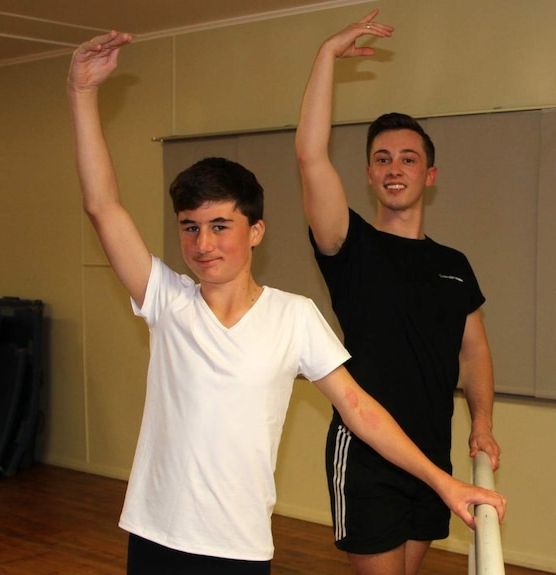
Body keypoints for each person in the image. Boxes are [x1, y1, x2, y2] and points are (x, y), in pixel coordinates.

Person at [68, 30, 505, 575]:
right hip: (157, 538)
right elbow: (103, 206)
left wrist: (446, 484)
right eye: (190, 228)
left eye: (221, 226)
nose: (203, 244)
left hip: (241, 547)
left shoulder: (294, 316)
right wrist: (83, 95)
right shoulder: (167, 301)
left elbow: (361, 410)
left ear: (256, 232)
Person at [296, 10, 503, 575]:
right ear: (367, 173)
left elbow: (474, 351)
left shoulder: (453, 265)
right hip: (367, 456)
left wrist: (481, 423)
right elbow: (310, 157)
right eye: (382, 159)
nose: (395, 169)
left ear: (429, 175)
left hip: (431, 450)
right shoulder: (349, 245)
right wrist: (326, 57)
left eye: (409, 159)